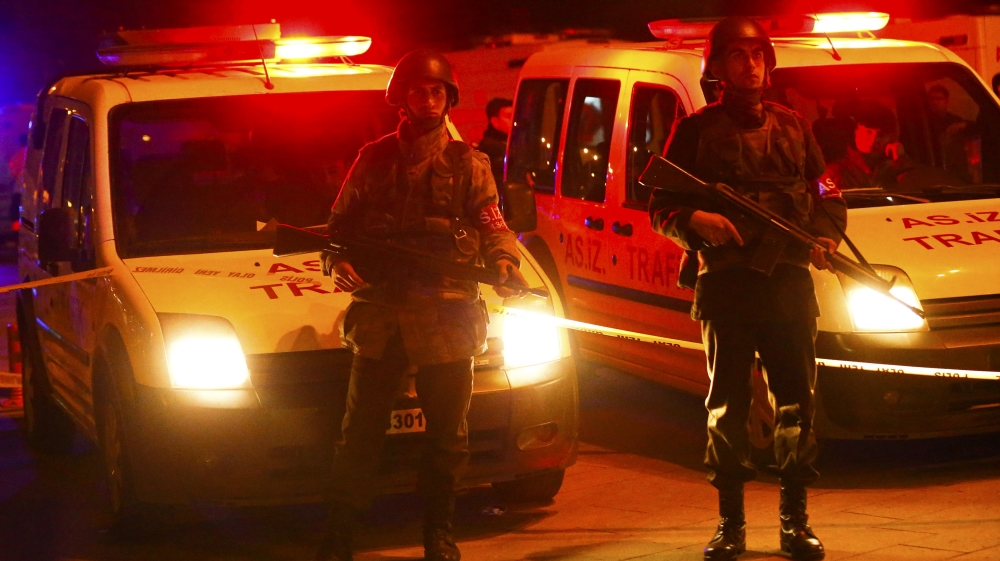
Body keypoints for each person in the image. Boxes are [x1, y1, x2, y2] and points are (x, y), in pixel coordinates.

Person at [648, 16, 847, 561]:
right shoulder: (694, 131)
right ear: (717, 66)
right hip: (727, 286)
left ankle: (794, 521)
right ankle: (731, 524)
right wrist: (696, 222)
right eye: (737, 55)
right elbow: (660, 206)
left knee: (796, 406)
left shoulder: (794, 127)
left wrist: (825, 239)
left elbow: (827, 192)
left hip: (787, 282)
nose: (750, 64)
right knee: (728, 409)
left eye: (757, 54)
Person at [315, 50, 527, 561]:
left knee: (449, 439)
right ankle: (340, 536)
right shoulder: (373, 158)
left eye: (438, 92)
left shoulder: (470, 164)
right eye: (419, 91)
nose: (429, 100)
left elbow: (493, 225)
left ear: (449, 98)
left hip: (448, 317)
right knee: (360, 435)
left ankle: (439, 533)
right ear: (401, 98)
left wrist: (505, 263)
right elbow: (337, 228)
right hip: (383, 316)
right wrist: (335, 259)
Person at [823, 100, 913, 190]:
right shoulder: (833, 173)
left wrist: (901, 160)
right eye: (868, 132)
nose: (874, 139)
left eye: (882, 134)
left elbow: (916, 195)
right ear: (856, 131)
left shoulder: (897, 168)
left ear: (891, 137)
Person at [476, 97, 513, 188]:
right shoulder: (492, 148)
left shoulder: (509, 143)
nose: (514, 120)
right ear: (495, 121)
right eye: (509, 116)